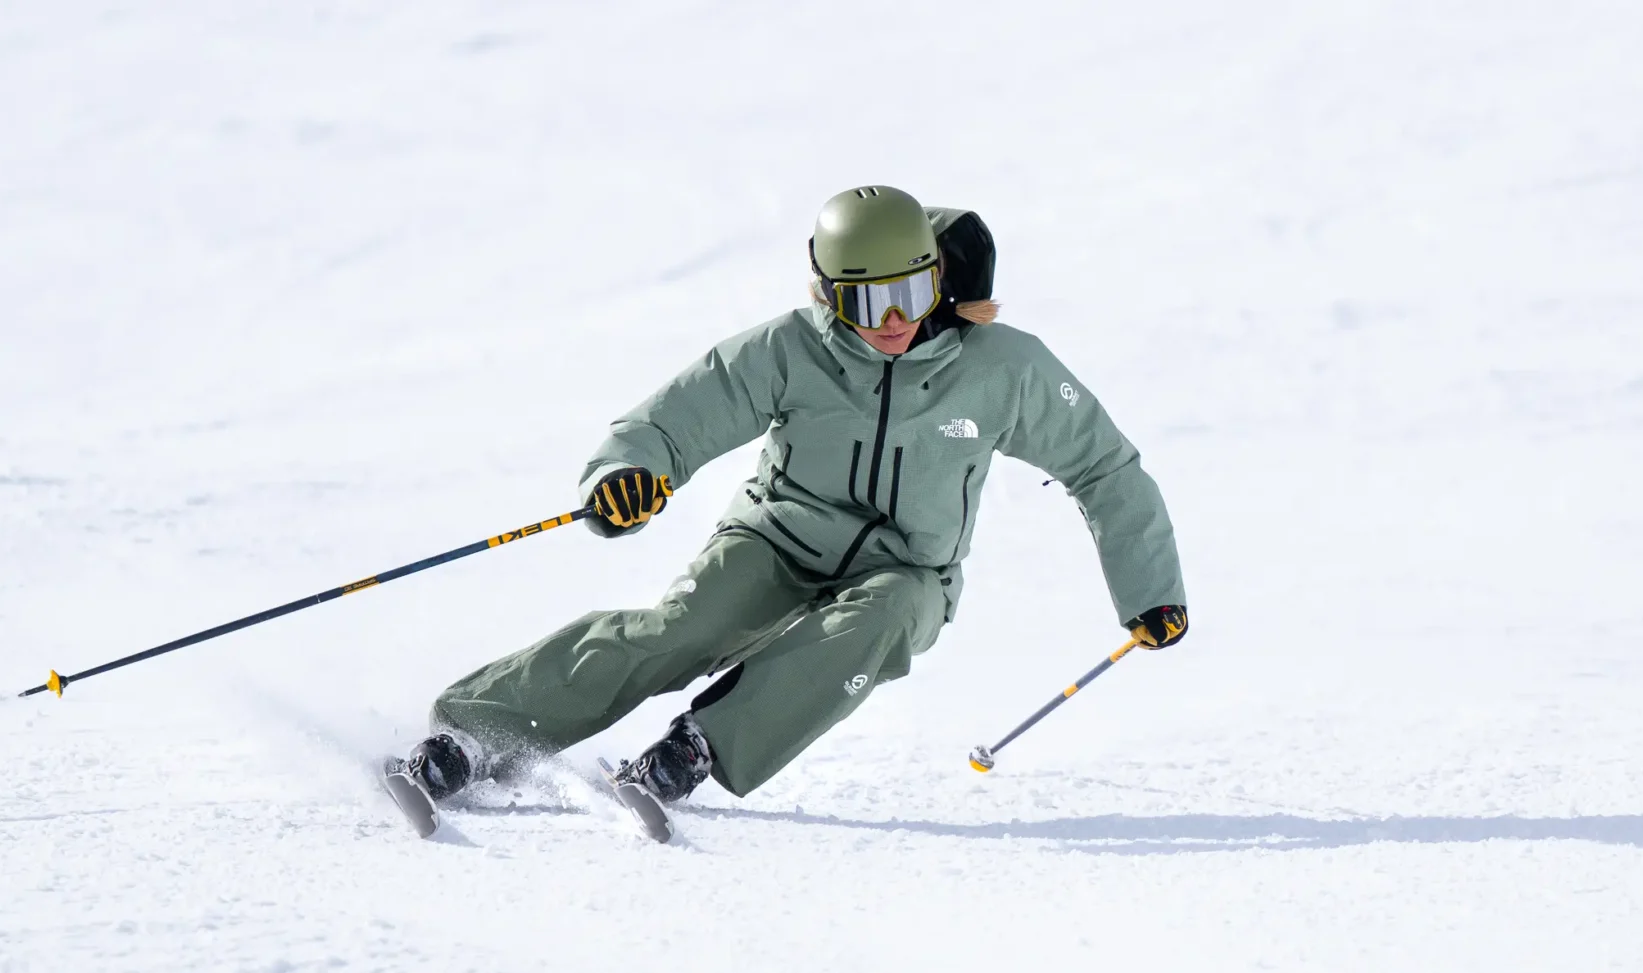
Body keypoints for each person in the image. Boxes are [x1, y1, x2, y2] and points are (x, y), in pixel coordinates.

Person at [395, 185, 1187, 806]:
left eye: (910, 294)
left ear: (936, 277)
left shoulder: (1003, 368)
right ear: (829, 295)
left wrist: (1150, 592)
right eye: (866, 303)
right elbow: (677, 417)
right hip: (776, 539)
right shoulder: (792, 350)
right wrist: (631, 473)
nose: (893, 323)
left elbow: (1106, 469)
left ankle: (698, 748)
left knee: (871, 623)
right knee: (683, 626)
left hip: (909, 572)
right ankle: (475, 735)